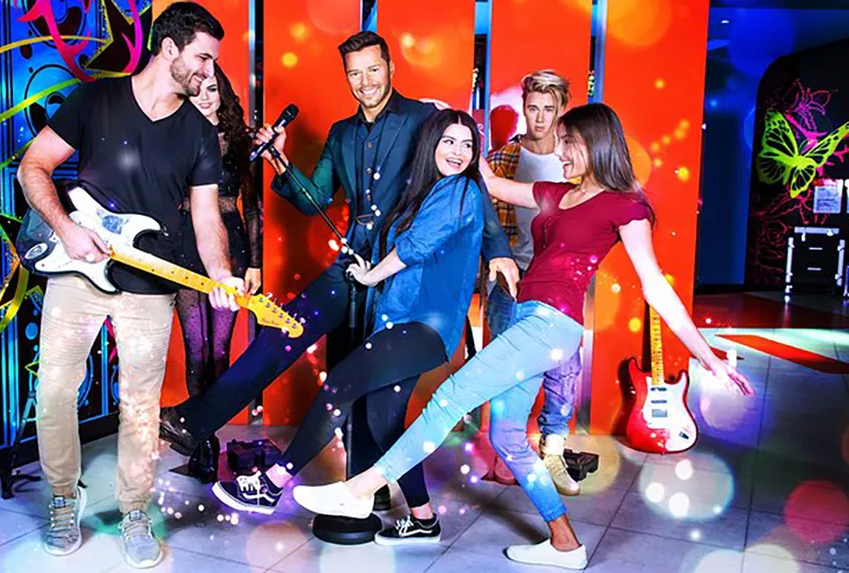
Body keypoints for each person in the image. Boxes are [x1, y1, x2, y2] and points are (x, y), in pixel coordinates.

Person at [291, 103, 754, 570]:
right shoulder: (558, 193)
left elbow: (655, 285)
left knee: (451, 396)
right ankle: (565, 543)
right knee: (510, 438)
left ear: (595, 143)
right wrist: (440, 113)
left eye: (568, 141)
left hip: (553, 323)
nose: (559, 149)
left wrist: (705, 356)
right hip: (527, 318)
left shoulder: (624, 205)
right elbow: (487, 181)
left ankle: (358, 491)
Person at [159, 31, 518, 541]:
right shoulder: (341, 132)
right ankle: (196, 422)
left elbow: (469, 187)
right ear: (345, 76)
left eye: (374, 70)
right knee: (280, 334)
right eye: (355, 73)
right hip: (350, 270)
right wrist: (279, 162)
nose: (366, 82)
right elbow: (313, 200)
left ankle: (362, 498)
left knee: (371, 402)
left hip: (398, 281)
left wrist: (499, 247)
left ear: (390, 67)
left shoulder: (424, 121)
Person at [16, 3, 244, 568]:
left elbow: (206, 217)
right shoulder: (96, 100)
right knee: (53, 391)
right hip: (78, 271)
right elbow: (33, 167)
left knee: (140, 406)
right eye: (203, 57)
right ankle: (64, 498)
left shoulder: (199, 134)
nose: (210, 71)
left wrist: (219, 275)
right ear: (169, 50)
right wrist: (66, 230)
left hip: (150, 282)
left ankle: (135, 508)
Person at [212, 109, 484, 545]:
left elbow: (417, 247)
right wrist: (281, 164)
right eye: (449, 141)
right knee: (384, 423)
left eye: (467, 145)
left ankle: (273, 483)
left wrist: (371, 275)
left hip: (425, 327)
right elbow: (327, 205)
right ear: (431, 143)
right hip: (398, 320)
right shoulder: (425, 192)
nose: (458, 152)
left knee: (339, 383)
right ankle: (424, 517)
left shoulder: (462, 191)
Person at [482, 70, 582, 496]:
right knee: (505, 371)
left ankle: (553, 451)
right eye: (532, 108)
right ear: (524, 107)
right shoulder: (501, 159)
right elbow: (484, 224)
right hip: (509, 282)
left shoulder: (575, 165)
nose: (539, 118)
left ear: (561, 111)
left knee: (563, 370)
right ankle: (507, 454)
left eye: (548, 109)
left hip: (557, 284)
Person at [174, 64, 262, 484]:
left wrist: (257, 263)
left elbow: (254, 208)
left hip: (234, 248)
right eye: (198, 89)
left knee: (219, 353)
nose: (206, 96)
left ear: (222, 92)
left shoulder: (241, 142)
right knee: (195, 350)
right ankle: (203, 444)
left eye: (212, 88)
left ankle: (212, 433)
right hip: (185, 249)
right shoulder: (174, 138)